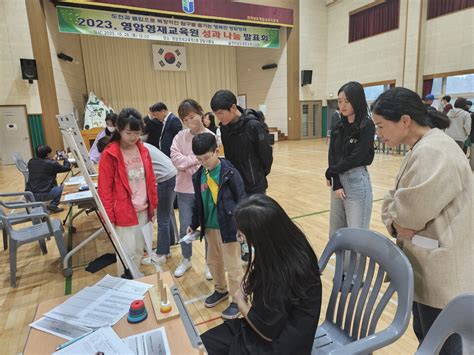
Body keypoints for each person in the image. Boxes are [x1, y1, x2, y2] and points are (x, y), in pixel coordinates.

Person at [372, 87, 473, 355]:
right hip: (428, 266)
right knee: (430, 338)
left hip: (442, 274)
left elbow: (406, 215)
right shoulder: (423, 147)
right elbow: (395, 202)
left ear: (405, 121)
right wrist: (395, 215)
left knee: (441, 344)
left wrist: (395, 218)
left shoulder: (434, 152)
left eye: (381, 126)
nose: (378, 133)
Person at [201, 194, 322, 354]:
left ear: (261, 237)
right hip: (270, 329)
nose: (240, 238)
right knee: (201, 343)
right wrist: (251, 283)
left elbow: (267, 331)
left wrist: (240, 302)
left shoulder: (284, 272)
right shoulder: (287, 248)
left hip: (280, 345)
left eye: (242, 234)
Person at [187, 133, 246, 319]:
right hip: (210, 227)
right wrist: (193, 224)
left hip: (229, 226)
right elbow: (198, 202)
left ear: (217, 151)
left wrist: (242, 226)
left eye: (207, 158)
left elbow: (242, 200)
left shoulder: (230, 173)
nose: (204, 162)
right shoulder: (198, 176)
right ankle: (220, 289)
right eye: (199, 159)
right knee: (213, 261)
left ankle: (238, 300)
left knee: (233, 265)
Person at [98, 108, 158, 278]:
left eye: (137, 133)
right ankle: (125, 284)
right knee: (126, 254)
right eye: (129, 133)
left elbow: (151, 179)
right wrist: (108, 218)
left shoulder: (143, 150)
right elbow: (104, 190)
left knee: (140, 250)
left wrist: (154, 205)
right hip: (123, 212)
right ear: (119, 129)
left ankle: (135, 281)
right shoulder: (110, 154)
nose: (133, 137)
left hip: (143, 209)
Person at [325, 81, 375, 245]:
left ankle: (354, 271)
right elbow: (333, 153)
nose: (342, 105)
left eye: (347, 101)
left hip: (356, 180)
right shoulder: (339, 124)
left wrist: (332, 171)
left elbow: (356, 157)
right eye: (340, 101)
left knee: (356, 236)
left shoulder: (366, 125)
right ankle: (343, 271)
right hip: (338, 180)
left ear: (356, 100)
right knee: (336, 233)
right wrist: (336, 182)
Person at [170, 99, 214, 278]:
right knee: (185, 227)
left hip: (206, 188)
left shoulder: (211, 136)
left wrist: (188, 161)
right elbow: (176, 160)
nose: (189, 121)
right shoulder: (180, 137)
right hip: (184, 189)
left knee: (209, 227)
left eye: (192, 116)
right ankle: (186, 259)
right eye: (185, 119)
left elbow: (211, 162)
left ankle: (210, 263)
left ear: (201, 114)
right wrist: (196, 159)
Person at [210, 90, 273, 195]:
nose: (219, 117)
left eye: (221, 113)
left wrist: (257, 175)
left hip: (255, 186)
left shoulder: (253, 126)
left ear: (233, 108)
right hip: (235, 183)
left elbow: (266, 156)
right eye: (216, 114)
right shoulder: (224, 128)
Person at [140, 142, 177, 267]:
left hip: (165, 179)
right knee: (167, 214)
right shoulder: (143, 145)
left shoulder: (140, 149)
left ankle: (162, 253)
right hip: (171, 175)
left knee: (163, 218)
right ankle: (168, 244)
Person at [26, 144, 71, 213]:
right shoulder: (52, 164)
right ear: (47, 154)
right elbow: (67, 168)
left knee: (51, 181)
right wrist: (65, 158)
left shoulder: (31, 162)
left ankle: (37, 205)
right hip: (43, 194)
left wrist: (52, 160)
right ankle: (53, 205)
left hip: (30, 194)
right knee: (64, 187)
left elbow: (42, 166)